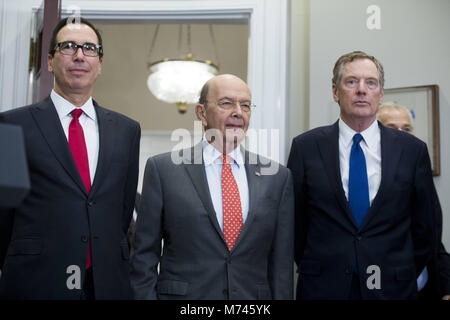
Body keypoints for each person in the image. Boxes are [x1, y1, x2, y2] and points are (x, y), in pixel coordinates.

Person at [0, 17, 140, 299]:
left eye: (89, 48)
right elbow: (3, 215)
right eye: (68, 47)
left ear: (99, 64)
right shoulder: (11, 126)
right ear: (50, 62)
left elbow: (122, 212)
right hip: (35, 283)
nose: (79, 55)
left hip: (105, 285)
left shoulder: (127, 130)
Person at [287, 51, 436, 300]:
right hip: (324, 288)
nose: (361, 90)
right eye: (351, 81)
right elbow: (295, 224)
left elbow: (426, 227)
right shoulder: (306, 147)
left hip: (392, 289)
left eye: (371, 82)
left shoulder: (412, 150)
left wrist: (399, 269)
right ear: (335, 91)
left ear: (381, 93)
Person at [130, 74, 294, 300]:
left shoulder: (277, 177)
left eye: (245, 105)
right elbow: (143, 257)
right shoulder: (163, 170)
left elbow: (281, 265)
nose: (238, 111)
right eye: (226, 103)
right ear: (202, 113)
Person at [377, 102, 450, 300]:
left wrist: (446, 286)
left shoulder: (418, 168)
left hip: (423, 286)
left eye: (407, 129)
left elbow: (431, 231)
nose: (401, 134)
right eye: (392, 128)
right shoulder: (368, 176)